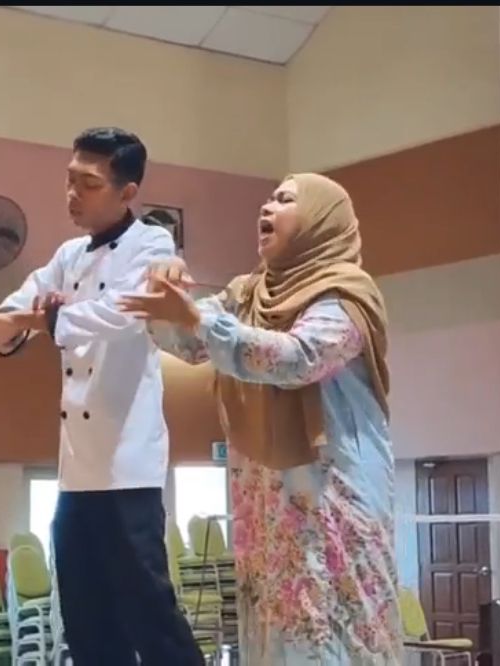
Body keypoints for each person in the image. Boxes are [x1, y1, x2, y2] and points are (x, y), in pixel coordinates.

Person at [0, 127, 203, 665]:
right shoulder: (68, 254)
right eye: (69, 180)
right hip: (76, 471)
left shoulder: (152, 244)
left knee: (149, 610)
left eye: (89, 184)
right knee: (84, 616)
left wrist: (38, 320)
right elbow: (22, 302)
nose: (73, 194)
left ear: (128, 192)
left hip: (128, 466)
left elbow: (122, 313)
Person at [118, 173, 404, 665]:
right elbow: (186, 342)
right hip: (266, 495)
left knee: (336, 625)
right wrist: (163, 287)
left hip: (332, 491)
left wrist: (198, 319)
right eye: (268, 198)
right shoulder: (247, 293)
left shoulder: (345, 295)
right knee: (274, 626)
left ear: (320, 220)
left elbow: (298, 358)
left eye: (285, 199)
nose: (267, 207)